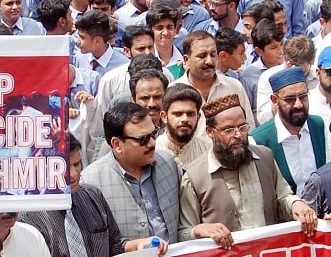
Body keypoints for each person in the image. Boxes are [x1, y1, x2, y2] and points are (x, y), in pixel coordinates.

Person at [177, 94, 318, 247]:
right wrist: (199, 230)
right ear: (210, 132)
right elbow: (183, 234)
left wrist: (295, 204)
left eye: (243, 127)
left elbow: (283, 197)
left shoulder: (265, 157)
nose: (238, 135)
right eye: (228, 130)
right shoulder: (194, 176)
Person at [20, 135, 167, 257]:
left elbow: (115, 244)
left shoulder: (92, 196)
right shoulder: (28, 217)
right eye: (62, 168)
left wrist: (139, 245)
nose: (72, 174)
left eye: (77, 164)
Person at [81, 102, 180, 243]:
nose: (152, 143)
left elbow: (179, 229)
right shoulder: (90, 183)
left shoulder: (167, 164)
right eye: (143, 139)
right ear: (117, 145)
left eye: (153, 134)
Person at [251, 67, 327, 193]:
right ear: (275, 100)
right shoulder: (258, 140)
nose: (298, 104)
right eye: (290, 99)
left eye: (303, 97)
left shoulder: (317, 125)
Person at [173, 31, 254, 131]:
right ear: (186, 60)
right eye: (202, 56)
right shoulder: (174, 92)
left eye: (212, 55)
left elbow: (248, 128)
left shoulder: (234, 87)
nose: (209, 61)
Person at [156, 84, 211, 168]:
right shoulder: (153, 151)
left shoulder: (208, 151)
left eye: (190, 114)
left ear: (198, 117)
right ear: (164, 117)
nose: (185, 119)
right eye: (178, 114)